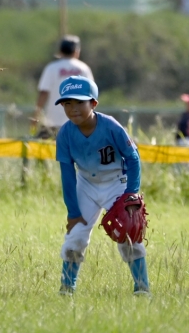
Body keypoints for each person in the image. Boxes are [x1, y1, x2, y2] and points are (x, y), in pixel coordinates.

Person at [54, 75, 149, 296]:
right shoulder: (65, 133)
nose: (73, 108)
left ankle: (142, 288)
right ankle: (67, 288)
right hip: (86, 183)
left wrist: (131, 194)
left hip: (116, 182)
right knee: (76, 235)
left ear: (94, 103)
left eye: (80, 102)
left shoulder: (111, 126)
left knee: (129, 235)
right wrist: (73, 212)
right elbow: (67, 174)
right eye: (67, 103)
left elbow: (133, 158)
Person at [32, 35, 94, 139]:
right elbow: (91, 94)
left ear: (60, 51)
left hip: (53, 122)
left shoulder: (51, 68)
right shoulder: (83, 69)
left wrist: (36, 115)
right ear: (76, 51)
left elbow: (43, 93)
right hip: (78, 122)